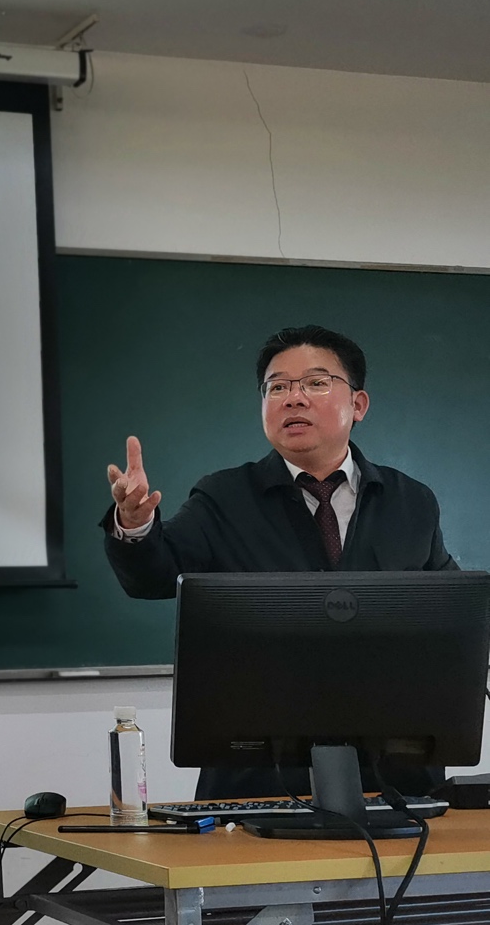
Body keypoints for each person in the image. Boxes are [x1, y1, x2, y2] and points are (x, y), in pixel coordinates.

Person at [102, 324, 457, 798]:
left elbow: (456, 612)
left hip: (395, 777)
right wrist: (135, 523)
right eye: (277, 387)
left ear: (358, 404)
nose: (294, 398)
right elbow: (154, 575)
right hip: (260, 774)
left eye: (316, 382)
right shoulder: (224, 497)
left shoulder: (411, 501)